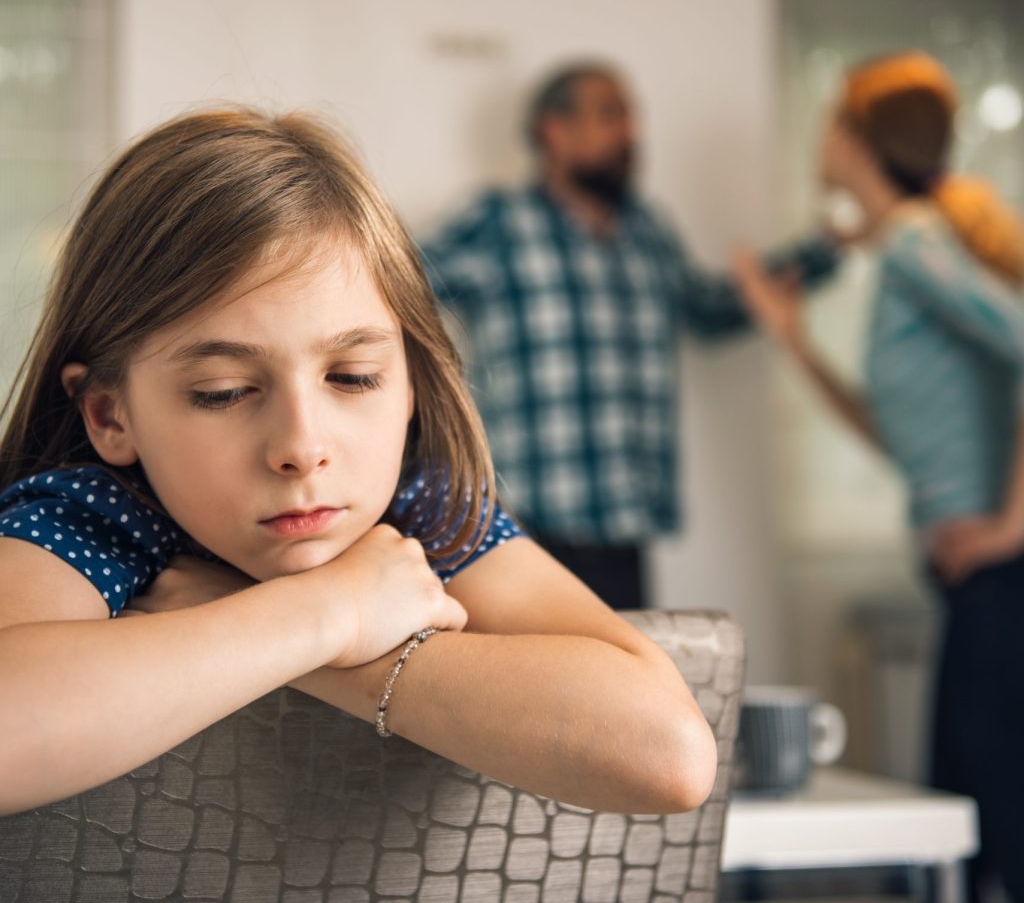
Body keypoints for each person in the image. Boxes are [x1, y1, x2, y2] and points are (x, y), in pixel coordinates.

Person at [0, 107, 718, 818]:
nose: (302, 447)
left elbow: (668, 754)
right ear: (109, 415)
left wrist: (301, 640)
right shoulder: (97, 515)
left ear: (410, 383)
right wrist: (326, 613)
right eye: (223, 393)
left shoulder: (423, 511)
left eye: (352, 378)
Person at [733, 52, 1024, 902]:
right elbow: (895, 435)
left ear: (857, 139)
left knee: (985, 827)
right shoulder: (908, 247)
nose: (821, 136)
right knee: (965, 826)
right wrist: (791, 339)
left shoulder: (911, 247)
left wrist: (1012, 523)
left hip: (1003, 576)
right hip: (973, 582)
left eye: (830, 119)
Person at [421, 61, 840, 608]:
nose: (631, 133)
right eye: (612, 114)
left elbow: (709, 310)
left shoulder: (648, 231)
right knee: (536, 691)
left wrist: (821, 253)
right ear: (554, 129)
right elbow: (402, 284)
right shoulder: (499, 221)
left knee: (618, 686)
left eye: (630, 116)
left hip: (627, 528)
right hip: (521, 531)